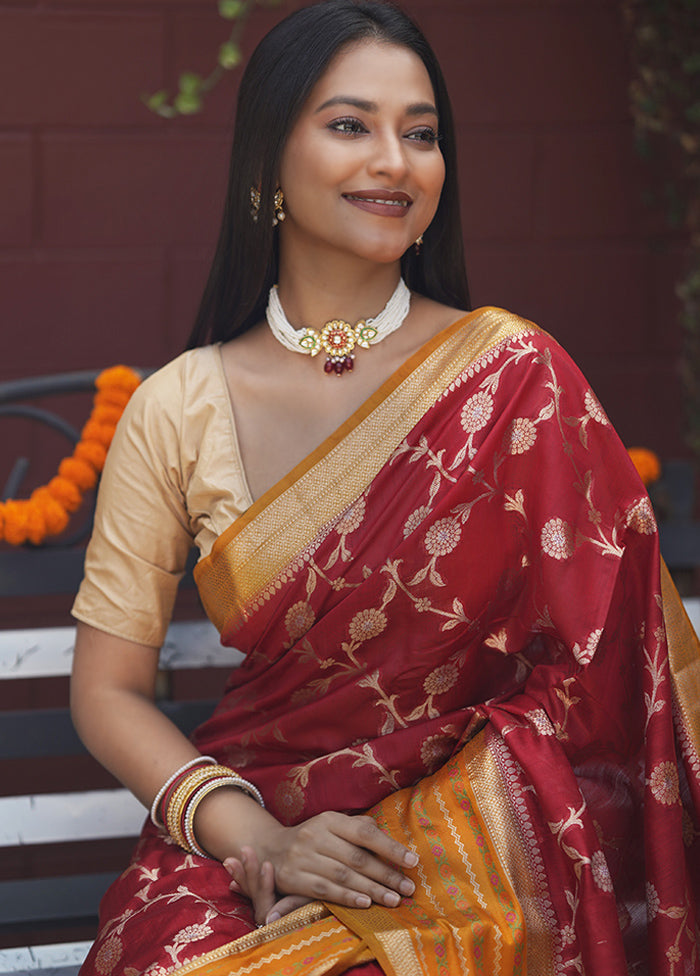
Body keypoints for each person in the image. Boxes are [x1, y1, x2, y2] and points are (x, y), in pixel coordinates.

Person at [70, 2, 700, 974]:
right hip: (251, 840)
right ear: (265, 164)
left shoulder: (516, 378)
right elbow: (107, 689)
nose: (395, 161)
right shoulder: (179, 406)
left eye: (421, 134)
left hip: (471, 854)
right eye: (350, 124)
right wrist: (260, 839)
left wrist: (461, 828)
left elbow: (607, 676)